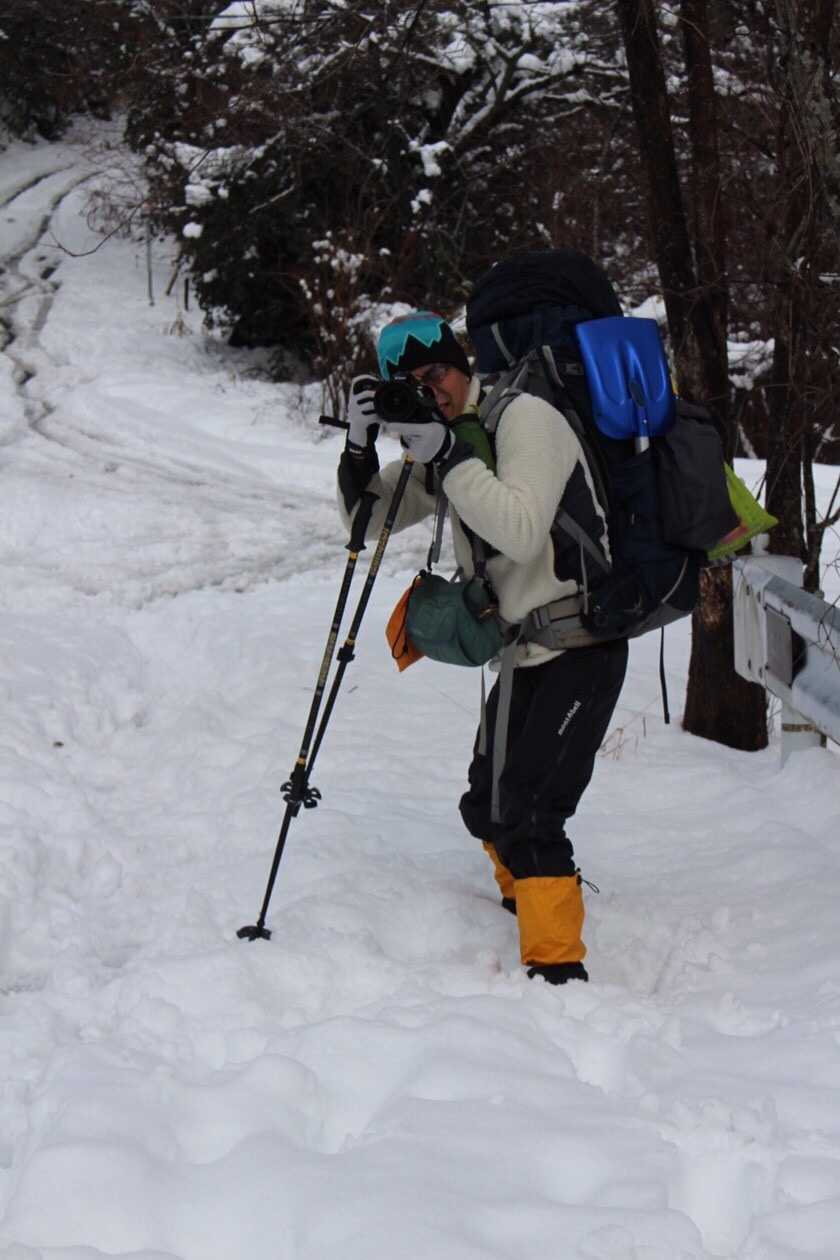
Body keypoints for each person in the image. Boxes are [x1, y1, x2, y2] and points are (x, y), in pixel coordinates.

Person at [336, 307, 628, 985]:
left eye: (438, 373)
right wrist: (358, 449)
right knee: (486, 803)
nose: (431, 390)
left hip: (583, 643)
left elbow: (520, 531)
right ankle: (524, 898)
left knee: (533, 809)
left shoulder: (524, 419)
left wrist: (448, 455)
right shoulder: (447, 440)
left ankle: (556, 972)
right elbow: (366, 523)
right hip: (526, 649)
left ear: (464, 365)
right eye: (412, 384)